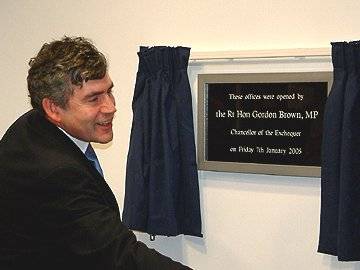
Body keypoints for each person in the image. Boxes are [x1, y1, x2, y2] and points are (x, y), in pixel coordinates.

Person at [0, 36, 191, 270]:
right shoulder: (55, 173)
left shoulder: (34, 125)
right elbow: (121, 257)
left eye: (109, 92)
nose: (111, 107)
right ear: (53, 108)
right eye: (94, 99)